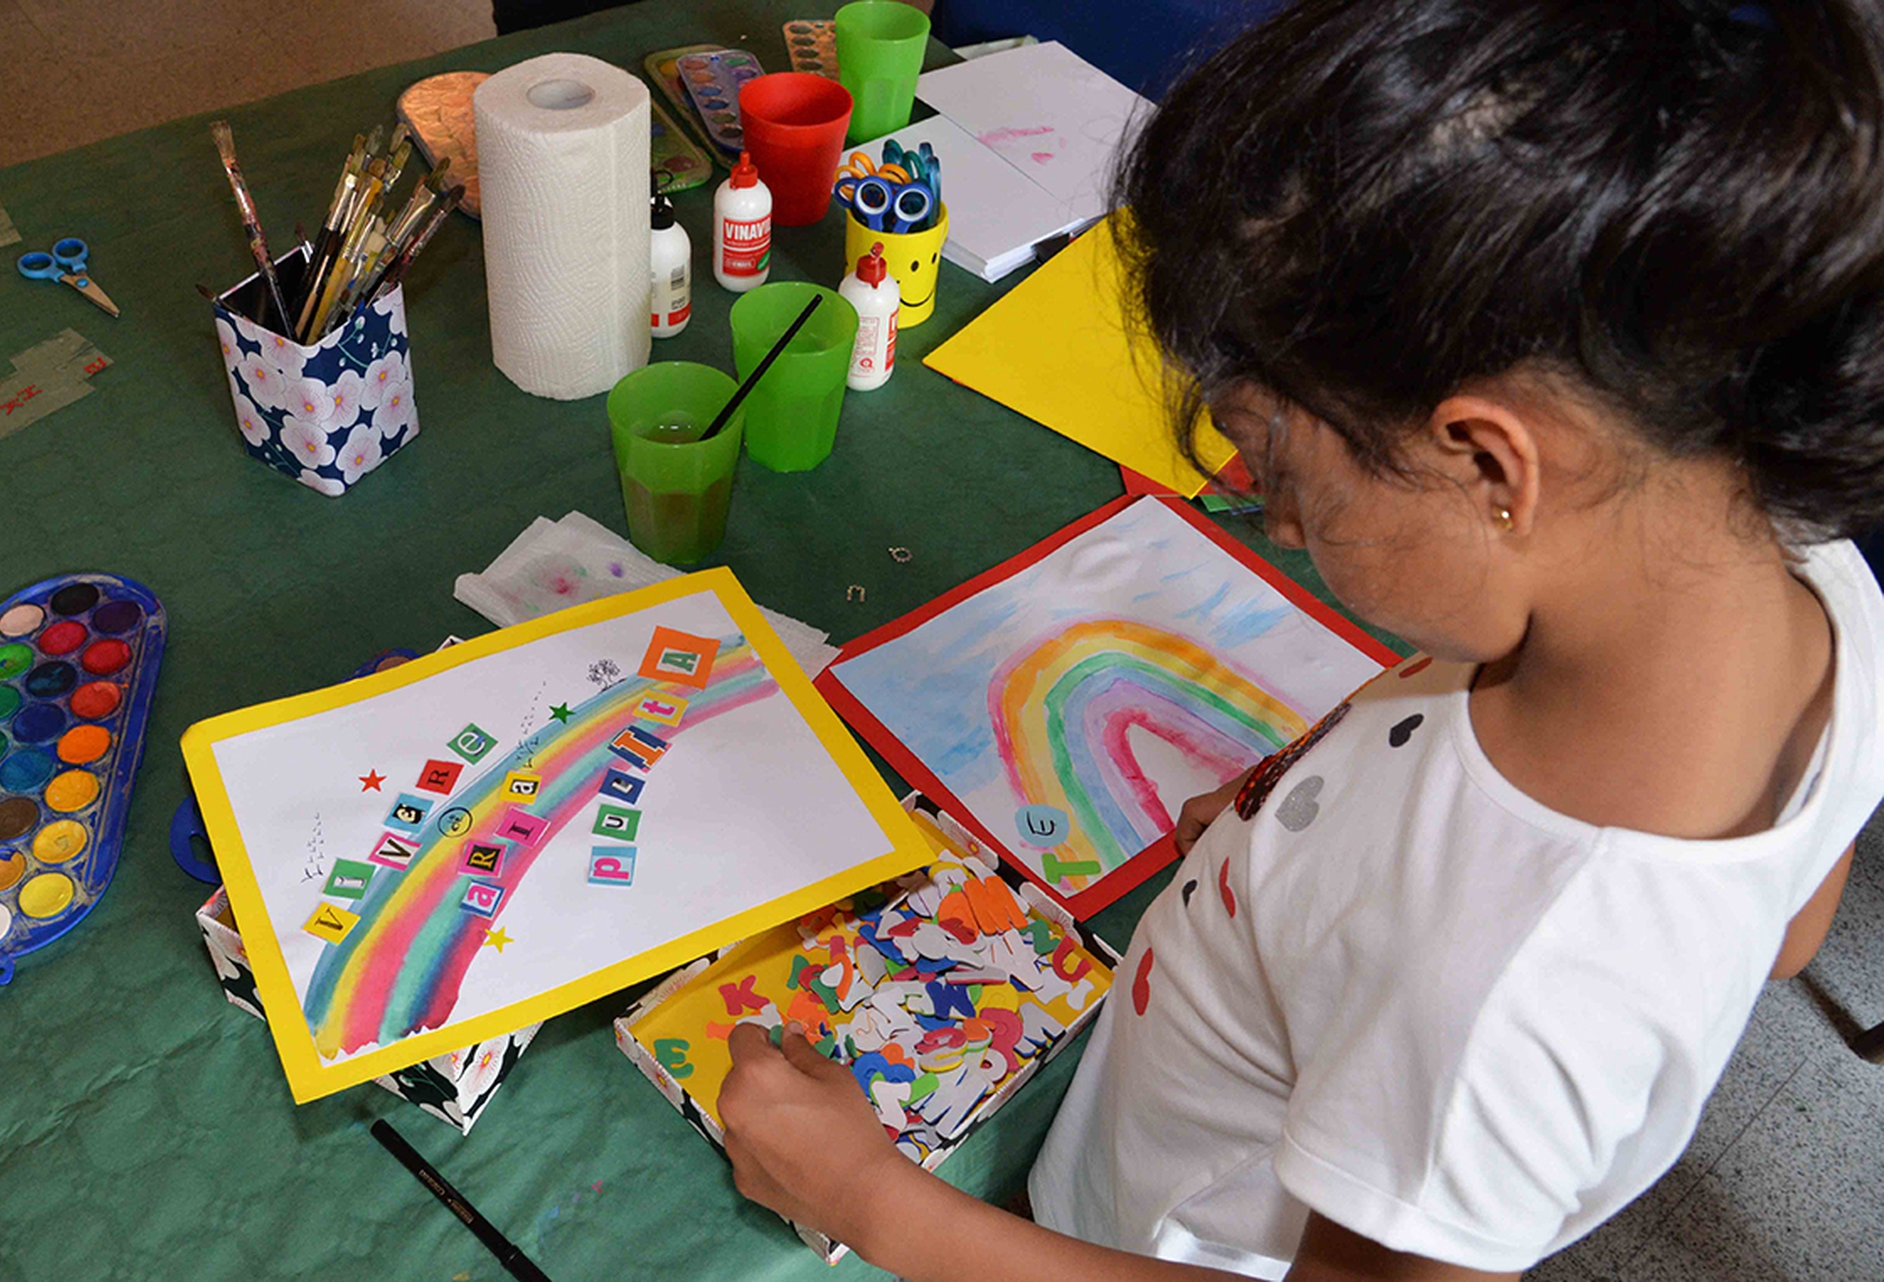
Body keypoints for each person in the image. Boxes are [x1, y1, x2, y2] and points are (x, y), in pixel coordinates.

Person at [716, 2, 1884, 1278]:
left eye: (1272, 456)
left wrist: (872, 1200)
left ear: (1491, 461)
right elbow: (1786, 929)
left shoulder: (1501, 986)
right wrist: (1311, 852)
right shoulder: (1795, 568)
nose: (1262, 510)